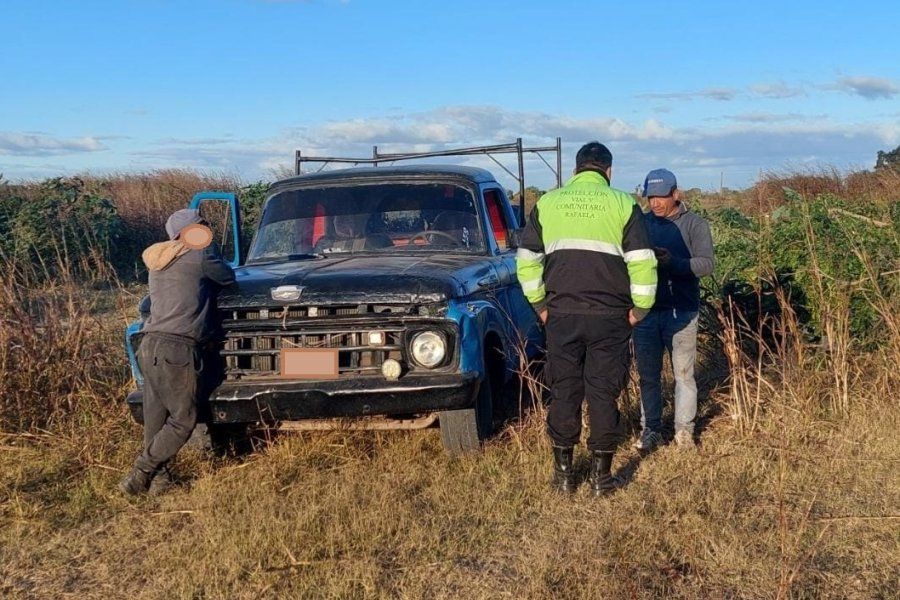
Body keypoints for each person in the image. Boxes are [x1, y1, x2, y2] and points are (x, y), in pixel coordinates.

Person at [516, 142, 658, 496]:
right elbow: (642, 261)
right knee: (602, 392)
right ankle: (601, 478)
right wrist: (640, 309)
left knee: (564, 391)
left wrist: (540, 305)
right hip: (611, 316)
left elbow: (527, 260)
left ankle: (564, 476)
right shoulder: (624, 204)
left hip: (561, 314)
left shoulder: (547, 204)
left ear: (576, 170)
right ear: (608, 171)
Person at [119, 209, 235, 496]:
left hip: (149, 344)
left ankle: (159, 481)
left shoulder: (158, 261)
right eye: (201, 228)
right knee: (183, 418)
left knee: (156, 418)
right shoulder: (199, 256)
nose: (205, 233)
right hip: (178, 347)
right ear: (188, 233)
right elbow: (228, 279)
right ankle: (140, 473)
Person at [632, 169, 714, 452]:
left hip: (683, 311)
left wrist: (673, 263)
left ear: (676, 194)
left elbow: (706, 264)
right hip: (645, 312)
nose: (655, 202)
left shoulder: (695, 224)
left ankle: (683, 433)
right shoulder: (640, 225)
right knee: (648, 376)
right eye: (651, 196)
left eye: (662, 196)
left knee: (683, 375)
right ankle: (651, 430)